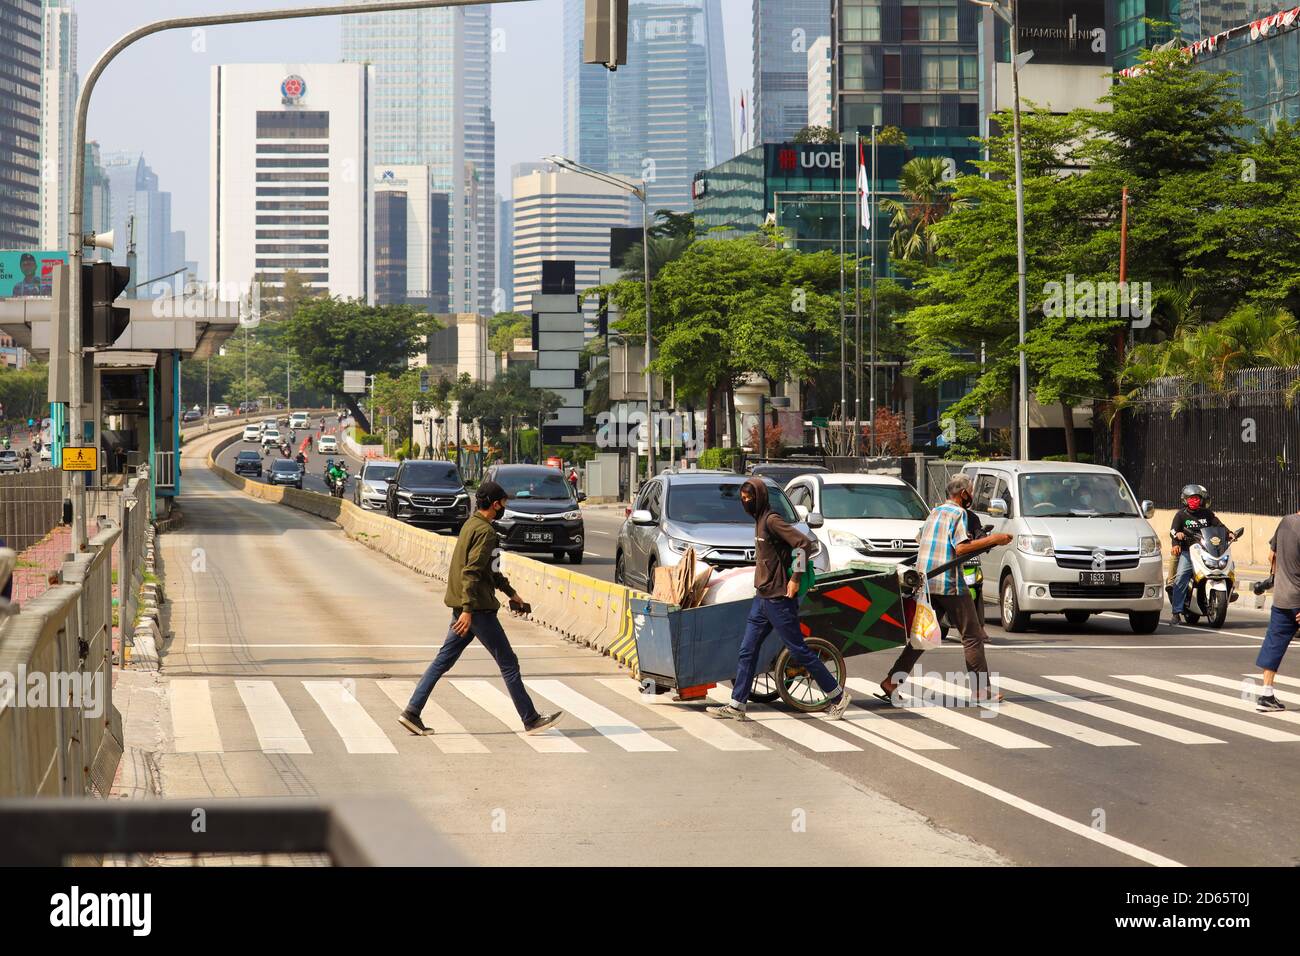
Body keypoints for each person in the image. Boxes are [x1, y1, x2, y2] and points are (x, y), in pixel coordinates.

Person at [398, 480, 563, 736]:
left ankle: (412, 712)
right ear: (495, 504)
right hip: (477, 610)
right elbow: (472, 572)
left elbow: (492, 572)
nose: (504, 508)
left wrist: (513, 594)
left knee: (443, 661)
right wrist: (467, 609)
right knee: (508, 662)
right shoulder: (487, 533)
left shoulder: (471, 525)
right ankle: (530, 719)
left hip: (467, 606)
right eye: (503, 503)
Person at [707, 478, 853, 721]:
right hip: (762, 598)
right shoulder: (759, 521)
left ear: (761, 498)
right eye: (743, 499)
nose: (746, 503)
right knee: (747, 650)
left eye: (749, 499)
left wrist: (795, 578)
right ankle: (737, 705)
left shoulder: (772, 520)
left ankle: (837, 696)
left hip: (778, 599)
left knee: (798, 649)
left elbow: (803, 544)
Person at [877, 474, 1013, 705]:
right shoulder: (959, 514)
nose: (971, 496)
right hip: (948, 582)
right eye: (970, 491)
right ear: (963, 494)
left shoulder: (935, 512)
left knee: (922, 636)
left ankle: (892, 681)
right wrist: (994, 539)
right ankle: (981, 691)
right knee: (972, 635)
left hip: (927, 582)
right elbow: (960, 549)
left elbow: (921, 538)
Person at [1168, 483, 1233, 626]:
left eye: (1197, 498)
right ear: (1185, 500)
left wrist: (1229, 533)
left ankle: (1229, 592)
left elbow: (1219, 525)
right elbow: (1172, 532)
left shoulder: (1207, 514)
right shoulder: (1181, 515)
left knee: (1226, 567)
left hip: (1206, 550)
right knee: (1181, 577)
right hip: (1188, 551)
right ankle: (1176, 612)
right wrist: (1176, 541)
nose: (1194, 501)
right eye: (1191, 498)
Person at [1256, 510, 1300, 711]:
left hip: (1282, 597)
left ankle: (1266, 694)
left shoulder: (1285, 522)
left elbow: (1271, 555)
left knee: (1274, 643)